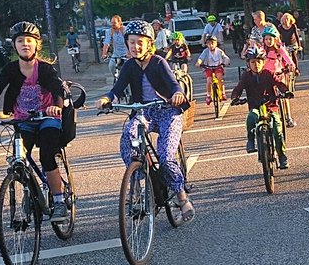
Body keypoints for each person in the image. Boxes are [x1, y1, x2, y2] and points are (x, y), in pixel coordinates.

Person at [97, 19, 194, 222]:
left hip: (168, 110)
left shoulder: (159, 62)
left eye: (140, 42)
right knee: (127, 138)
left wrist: (177, 95)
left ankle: (181, 197)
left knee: (166, 156)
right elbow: (117, 89)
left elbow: (174, 84)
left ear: (150, 44)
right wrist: (107, 99)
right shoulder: (129, 66)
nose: (136, 46)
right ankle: (139, 176)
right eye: (132, 42)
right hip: (143, 112)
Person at [0, 22, 68, 219]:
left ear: (37, 45)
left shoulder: (46, 68)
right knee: (20, 157)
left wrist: (56, 106)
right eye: (20, 41)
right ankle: (27, 190)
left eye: (29, 41)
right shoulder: (10, 69)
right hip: (22, 119)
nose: (25, 44)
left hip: (48, 117)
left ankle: (59, 201)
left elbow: (58, 89)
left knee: (46, 156)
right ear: (14, 45)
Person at [230, 45, 289, 169]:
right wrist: (235, 97)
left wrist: (285, 91)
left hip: (270, 106)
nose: (256, 64)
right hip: (255, 105)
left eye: (259, 61)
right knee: (252, 116)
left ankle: (282, 156)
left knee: (277, 129)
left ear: (264, 62)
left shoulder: (269, 73)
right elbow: (238, 88)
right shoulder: (246, 76)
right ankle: (251, 140)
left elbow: (278, 83)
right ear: (248, 63)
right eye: (252, 62)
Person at [260, 23, 297, 126]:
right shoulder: (263, 50)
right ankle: (267, 115)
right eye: (266, 39)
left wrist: (291, 65)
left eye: (270, 39)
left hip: (279, 74)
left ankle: (288, 117)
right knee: (266, 95)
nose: (268, 41)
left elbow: (286, 57)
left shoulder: (279, 48)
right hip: (267, 76)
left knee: (284, 95)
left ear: (275, 39)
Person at [196, 34, 231, 104]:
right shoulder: (205, 51)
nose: (211, 45)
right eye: (209, 44)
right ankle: (208, 95)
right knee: (209, 81)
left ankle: (222, 92)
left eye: (212, 43)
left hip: (218, 67)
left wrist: (226, 62)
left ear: (216, 43)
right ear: (206, 44)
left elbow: (225, 58)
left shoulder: (219, 51)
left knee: (219, 78)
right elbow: (200, 58)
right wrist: (198, 63)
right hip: (208, 67)